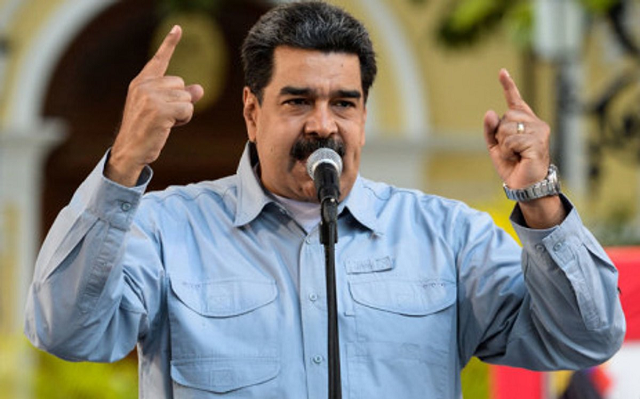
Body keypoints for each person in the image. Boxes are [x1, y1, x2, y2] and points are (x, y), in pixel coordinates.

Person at [25, 2, 625, 398]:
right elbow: (64, 331)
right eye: (296, 101)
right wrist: (125, 164)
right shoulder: (166, 228)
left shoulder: (447, 235)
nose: (323, 124)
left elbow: (585, 338)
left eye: (343, 102)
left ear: (363, 114)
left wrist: (539, 196)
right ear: (251, 111)